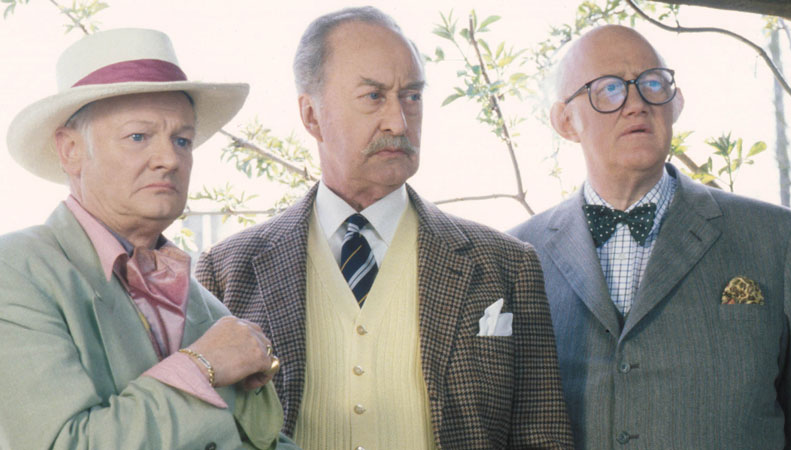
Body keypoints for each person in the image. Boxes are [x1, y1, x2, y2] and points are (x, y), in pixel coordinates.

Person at [194, 7, 573, 450]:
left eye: (411, 96)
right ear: (311, 115)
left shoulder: (508, 264)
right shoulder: (226, 269)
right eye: (374, 96)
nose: (399, 121)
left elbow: (543, 436)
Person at [0, 28, 298, 450]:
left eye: (182, 140)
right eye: (138, 137)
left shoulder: (209, 309)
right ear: (70, 150)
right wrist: (203, 365)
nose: (169, 159)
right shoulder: (1, 277)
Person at [509, 24, 791, 449]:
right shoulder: (514, 257)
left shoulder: (778, 240)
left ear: (676, 103)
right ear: (565, 120)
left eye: (653, 83)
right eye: (608, 90)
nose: (637, 103)